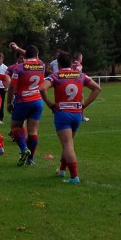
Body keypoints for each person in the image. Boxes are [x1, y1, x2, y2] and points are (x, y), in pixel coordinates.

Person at [40, 51, 101, 184]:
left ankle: (74, 176)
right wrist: (84, 104)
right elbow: (97, 88)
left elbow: (42, 89)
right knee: (68, 143)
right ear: (71, 63)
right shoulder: (80, 75)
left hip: (63, 114)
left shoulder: (56, 76)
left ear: (59, 63)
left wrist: (50, 104)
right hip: (77, 114)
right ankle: (62, 170)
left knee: (67, 144)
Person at [5, 42, 46, 166]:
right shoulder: (42, 65)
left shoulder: (19, 67)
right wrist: (18, 48)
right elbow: (31, 55)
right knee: (32, 130)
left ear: (25, 55)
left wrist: (8, 103)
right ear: (37, 55)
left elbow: (12, 86)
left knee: (16, 127)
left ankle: (24, 149)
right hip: (38, 101)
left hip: (23, 101)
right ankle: (31, 159)